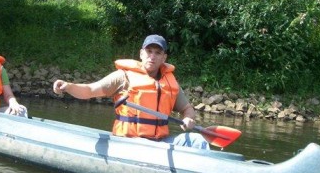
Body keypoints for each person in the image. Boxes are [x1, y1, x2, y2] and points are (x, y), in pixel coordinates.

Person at [53, 34, 209, 149]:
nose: (152, 56)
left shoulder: (169, 83)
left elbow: (187, 109)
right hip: (130, 142)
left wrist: (189, 119)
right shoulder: (123, 77)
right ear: (141, 54)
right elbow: (90, 90)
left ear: (164, 57)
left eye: (158, 53)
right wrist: (67, 86)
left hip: (160, 143)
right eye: (149, 51)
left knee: (197, 140)